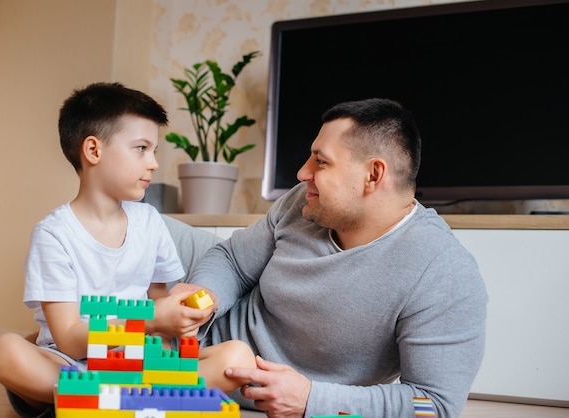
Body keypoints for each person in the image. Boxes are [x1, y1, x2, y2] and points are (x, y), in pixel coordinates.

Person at [173, 98, 488, 418]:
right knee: (138, 222)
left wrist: (311, 399)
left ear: (373, 174)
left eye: (320, 162)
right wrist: (205, 296)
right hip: (200, 333)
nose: (302, 173)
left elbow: (433, 405)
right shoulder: (303, 202)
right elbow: (233, 261)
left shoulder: (444, 272)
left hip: (227, 375)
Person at [0, 82, 255, 418]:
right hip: (71, 362)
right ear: (93, 151)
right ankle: (125, 400)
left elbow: (158, 304)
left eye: (154, 150)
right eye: (141, 148)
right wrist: (152, 320)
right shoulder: (54, 235)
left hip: (136, 363)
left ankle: (98, 401)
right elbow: (68, 338)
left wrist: (176, 317)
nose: (153, 163)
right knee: (4, 351)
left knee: (236, 357)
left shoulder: (150, 222)